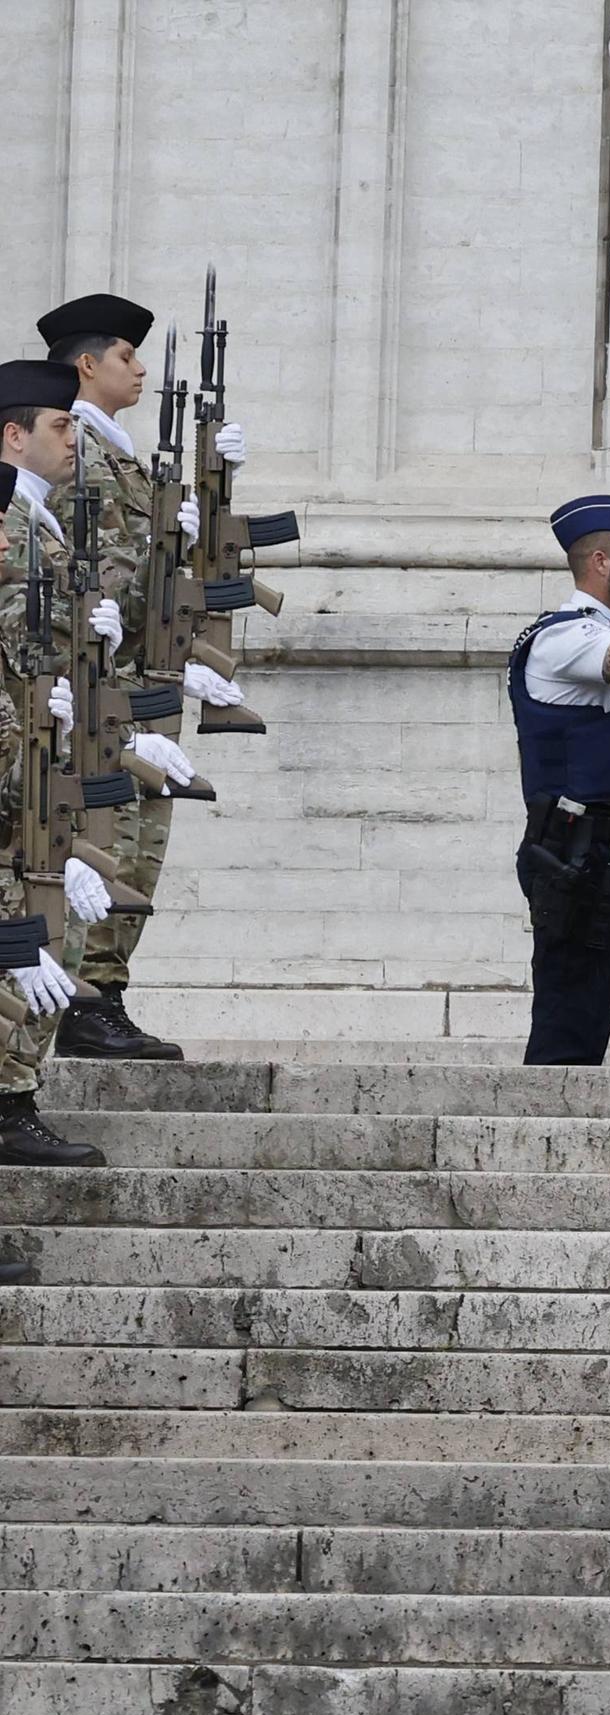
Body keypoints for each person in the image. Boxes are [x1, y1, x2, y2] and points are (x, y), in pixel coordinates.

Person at [40, 290, 238, 1064]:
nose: (140, 368)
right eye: (126, 355)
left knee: (141, 845)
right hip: (101, 690)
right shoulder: (74, 452)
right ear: (87, 364)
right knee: (109, 844)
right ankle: (86, 999)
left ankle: (107, 992)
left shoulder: (117, 452)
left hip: (138, 681)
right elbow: (88, 576)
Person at [507, 496, 610, 1066]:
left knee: (591, 1008)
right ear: (603, 563)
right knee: (569, 1019)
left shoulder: (605, 629)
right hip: (576, 853)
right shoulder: (565, 636)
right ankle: (533, 1143)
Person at [0, 357, 119, 1170]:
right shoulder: (13, 522)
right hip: (19, 770)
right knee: (26, 930)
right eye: (57, 424)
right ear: (13, 434)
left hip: (41, 760)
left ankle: (14, 1099)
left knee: (43, 929)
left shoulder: (41, 520)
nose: (73, 436)